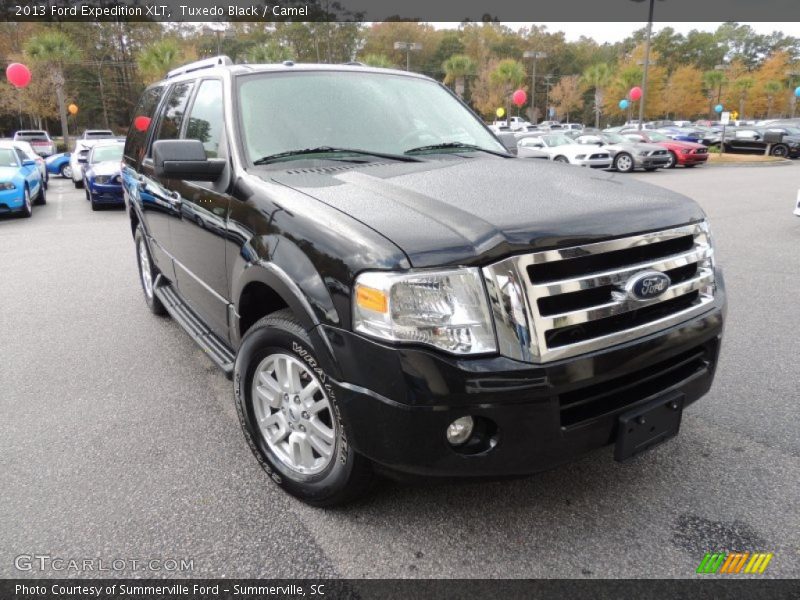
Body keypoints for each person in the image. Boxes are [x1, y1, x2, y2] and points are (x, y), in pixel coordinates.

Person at [507, 272, 532, 361]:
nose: (510, 278)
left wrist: (516, 289)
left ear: (513, 277)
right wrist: (512, 312)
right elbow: (510, 299)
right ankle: (521, 349)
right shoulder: (509, 287)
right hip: (515, 310)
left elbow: (520, 298)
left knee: (524, 328)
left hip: (520, 309)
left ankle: (527, 348)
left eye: (511, 276)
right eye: (509, 277)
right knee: (518, 329)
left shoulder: (517, 286)